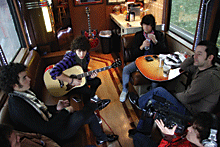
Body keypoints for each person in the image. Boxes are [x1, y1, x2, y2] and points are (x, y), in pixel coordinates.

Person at [0, 63, 118, 145]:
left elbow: (42, 109)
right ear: (14, 85)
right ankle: (96, 105)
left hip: (52, 122)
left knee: (90, 116)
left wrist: (57, 107)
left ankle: (101, 138)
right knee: (81, 115)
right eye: (24, 78)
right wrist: (65, 112)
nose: (29, 79)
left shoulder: (24, 92)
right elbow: (46, 129)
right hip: (54, 133)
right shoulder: (18, 107)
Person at [128, 40, 220, 137]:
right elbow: (184, 66)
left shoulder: (209, 78)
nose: (195, 56)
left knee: (158, 93)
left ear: (210, 57)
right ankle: (143, 132)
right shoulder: (202, 68)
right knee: (153, 101)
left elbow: (186, 98)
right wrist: (194, 57)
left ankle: (139, 104)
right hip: (188, 106)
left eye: (199, 54)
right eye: (195, 53)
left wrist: (171, 95)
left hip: (192, 115)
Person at [119, 14, 168, 102]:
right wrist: (141, 46)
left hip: (154, 63)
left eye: (148, 25)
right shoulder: (138, 35)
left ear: (152, 25)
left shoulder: (159, 35)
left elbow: (164, 51)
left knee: (156, 79)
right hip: (141, 61)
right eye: (144, 24)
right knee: (126, 69)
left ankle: (150, 96)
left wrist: (155, 41)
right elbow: (134, 54)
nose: (146, 27)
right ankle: (124, 90)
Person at [50, 35, 110, 104]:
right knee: (88, 91)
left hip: (79, 79)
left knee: (97, 81)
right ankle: (89, 102)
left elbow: (83, 72)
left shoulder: (86, 56)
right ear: (75, 49)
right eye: (79, 51)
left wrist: (90, 76)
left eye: (84, 51)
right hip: (68, 85)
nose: (82, 54)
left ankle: (91, 98)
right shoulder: (69, 59)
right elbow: (53, 72)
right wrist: (71, 81)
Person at [133, 112, 219, 147]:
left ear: (207, 143)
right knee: (137, 137)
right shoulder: (191, 138)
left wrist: (167, 137)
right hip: (170, 143)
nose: (189, 129)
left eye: (194, 129)